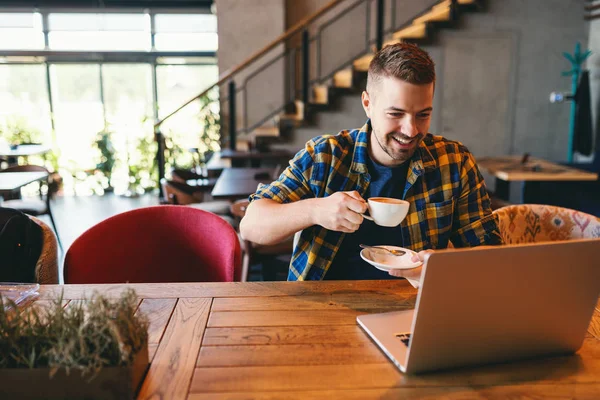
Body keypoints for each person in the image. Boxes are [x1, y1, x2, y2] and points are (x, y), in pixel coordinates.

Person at [240, 42, 502, 283]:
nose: (411, 130)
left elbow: (490, 253)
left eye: (422, 114)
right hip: (321, 309)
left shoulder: (454, 162)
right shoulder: (325, 157)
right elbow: (252, 226)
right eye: (395, 114)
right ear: (368, 104)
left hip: (416, 309)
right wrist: (315, 211)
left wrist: (441, 268)